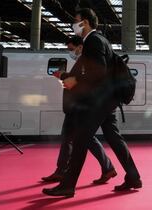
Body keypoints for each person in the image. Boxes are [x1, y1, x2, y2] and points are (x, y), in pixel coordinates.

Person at [43, 8, 141, 197]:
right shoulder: (100, 40)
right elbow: (91, 71)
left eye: (76, 21)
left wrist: (75, 81)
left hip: (99, 101)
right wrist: (67, 76)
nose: (74, 25)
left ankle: (67, 185)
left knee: (80, 139)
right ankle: (133, 177)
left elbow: (99, 72)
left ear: (85, 23)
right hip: (108, 100)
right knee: (114, 138)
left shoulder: (94, 41)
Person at [41, 36, 116, 185]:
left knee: (76, 138)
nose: (70, 52)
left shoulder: (85, 61)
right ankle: (106, 168)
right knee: (80, 139)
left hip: (78, 107)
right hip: (77, 106)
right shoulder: (82, 61)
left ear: (80, 47)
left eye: (71, 49)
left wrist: (63, 75)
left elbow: (83, 81)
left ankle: (63, 172)